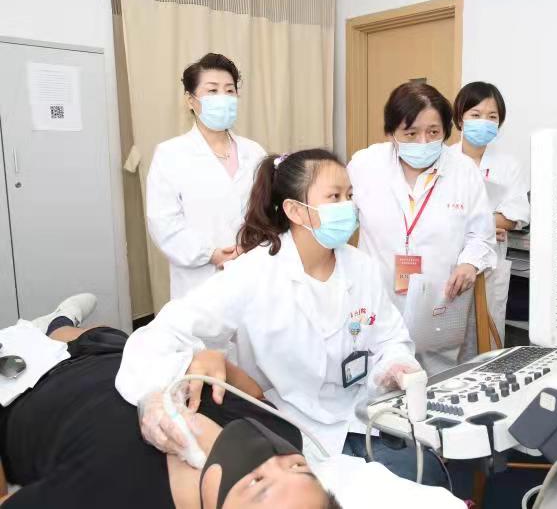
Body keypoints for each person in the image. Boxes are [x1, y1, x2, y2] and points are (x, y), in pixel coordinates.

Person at [117, 150, 447, 486]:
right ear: (294, 210)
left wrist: (394, 365)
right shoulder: (255, 272)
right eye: (334, 197)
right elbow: (162, 333)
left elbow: (390, 338)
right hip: (289, 429)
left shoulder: (360, 267)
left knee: (426, 473)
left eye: (350, 195)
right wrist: (154, 396)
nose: (348, 207)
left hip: (359, 415)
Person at [0, 308, 338, 509]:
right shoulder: (280, 432)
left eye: (259, 484)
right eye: (297, 467)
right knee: (97, 334)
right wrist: (212, 361)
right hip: (120, 356)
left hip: (23, 386)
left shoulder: (111, 496)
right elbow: (253, 393)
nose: (271, 457)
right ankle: (58, 322)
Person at [347, 82, 497, 374]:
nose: (423, 142)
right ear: (391, 132)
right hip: (378, 296)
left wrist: (470, 263)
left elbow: (481, 234)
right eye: (411, 133)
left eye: (433, 132)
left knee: (438, 379)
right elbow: (342, 214)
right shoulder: (365, 165)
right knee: (380, 376)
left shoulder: (463, 170)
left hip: (440, 299)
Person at [147, 53, 267, 300]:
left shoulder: (254, 152)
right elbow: (163, 222)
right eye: (212, 91)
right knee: (206, 324)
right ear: (191, 100)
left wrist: (252, 247)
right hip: (199, 280)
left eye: (229, 90)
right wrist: (211, 254)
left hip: (253, 269)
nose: (223, 97)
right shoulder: (170, 154)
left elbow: (267, 210)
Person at [449, 82, 530, 341]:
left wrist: (476, 224)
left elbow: (516, 213)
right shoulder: (443, 161)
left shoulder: (508, 165)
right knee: (446, 337)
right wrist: (485, 225)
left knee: (488, 339)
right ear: (459, 119)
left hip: (491, 264)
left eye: (492, 117)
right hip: (448, 261)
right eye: (475, 114)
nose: (484, 122)